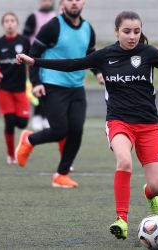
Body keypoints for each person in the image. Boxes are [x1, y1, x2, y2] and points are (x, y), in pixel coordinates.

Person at [17, 10, 158, 241]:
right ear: (116, 31)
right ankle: (121, 219)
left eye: (137, 31)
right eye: (127, 31)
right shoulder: (105, 55)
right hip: (119, 121)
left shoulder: (148, 53)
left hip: (149, 125)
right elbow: (73, 64)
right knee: (124, 160)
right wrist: (35, 61)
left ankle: (149, 194)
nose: (132, 36)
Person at [15, 0, 104, 188]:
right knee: (59, 131)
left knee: (76, 131)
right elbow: (33, 54)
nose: (74, 3)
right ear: (63, 3)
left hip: (77, 88)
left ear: (83, 3)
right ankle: (29, 139)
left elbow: (90, 54)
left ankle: (61, 175)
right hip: (51, 86)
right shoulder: (52, 27)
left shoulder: (88, 29)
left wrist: (97, 72)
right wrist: (36, 82)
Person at [0, 12, 30, 165]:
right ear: (3, 24)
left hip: (20, 88)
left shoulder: (24, 41)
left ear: (17, 23)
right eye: (6, 21)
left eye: (12, 20)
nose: (9, 23)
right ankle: (10, 155)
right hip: (3, 88)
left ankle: (22, 140)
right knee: (9, 120)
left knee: (22, 123)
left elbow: (31, 60)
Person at [23, 0, 56, 131]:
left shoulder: (56, 17)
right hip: (35, 58)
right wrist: (26, 57)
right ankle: (37, 115)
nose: (46, 2)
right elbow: (25, 38)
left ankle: (46, 116)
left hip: (51, 59)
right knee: (36, 86)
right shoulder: (33, 17)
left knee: (49, 87)